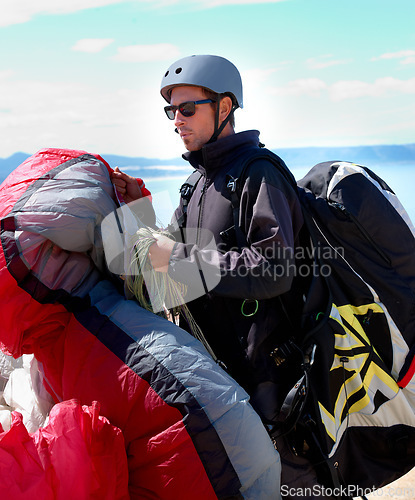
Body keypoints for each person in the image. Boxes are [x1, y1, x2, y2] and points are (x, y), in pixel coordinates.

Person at [111, 54, 305, 426]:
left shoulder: (258, 174)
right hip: (215, 370)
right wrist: (141, 210)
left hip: (265, 381)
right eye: (172, 111)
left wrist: (176, 256)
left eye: (186, 108)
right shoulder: (197, 182)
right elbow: (171, 255)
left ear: (225, 107)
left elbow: (274, 271)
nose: (176, 120)